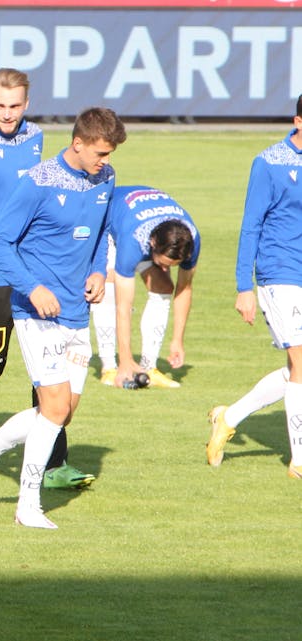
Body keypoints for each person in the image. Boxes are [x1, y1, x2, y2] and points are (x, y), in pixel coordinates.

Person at [0, 107, 127, 529]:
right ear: (78, 143)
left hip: (76, 310)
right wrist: (32, 287)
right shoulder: (38, 184)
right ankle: (27, 505)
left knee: (62, 411)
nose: (105, 160)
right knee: (52, 406)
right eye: (101, 152)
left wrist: (96, 271)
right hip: (36, 312)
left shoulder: (105, 179)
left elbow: (101, 230)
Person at [0, 68, 92, 490]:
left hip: (32, 275)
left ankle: (53, 463)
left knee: (46, 369)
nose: (7, 115)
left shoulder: (36, 139)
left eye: (15, 106)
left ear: (27, 104)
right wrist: (7, 222)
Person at [207, 96, 302, 476]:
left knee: (296, 368)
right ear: (298, 120)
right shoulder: (269, 163)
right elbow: (251, 224)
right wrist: (242, 286)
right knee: (301, 361)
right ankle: (299, 457)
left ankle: (229, 417)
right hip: (279, 273)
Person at [90, 186, 199, 388]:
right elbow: (124, 307)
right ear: (152, 244)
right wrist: (125, 361)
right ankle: (110, 367)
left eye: (172, 265)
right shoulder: (133, 241)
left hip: (144, 222)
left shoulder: (191, 240)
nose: (167, 269)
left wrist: (177, 340)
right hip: (109, 223)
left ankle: (149, 367)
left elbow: (184, 289)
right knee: (109, 286)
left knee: (164, 286)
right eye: (165, 263)